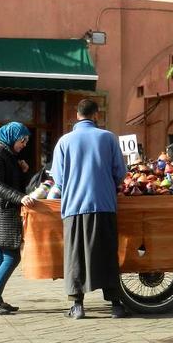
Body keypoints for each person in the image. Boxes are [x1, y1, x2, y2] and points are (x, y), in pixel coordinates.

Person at [51, 99, 128, 319]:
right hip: (104, 205)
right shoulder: (109, 138)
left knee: (75, 256)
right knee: (106, 255)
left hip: (74, 207)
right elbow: (120, 173)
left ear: (77, 116)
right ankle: (115, 305)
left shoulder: (64, 142)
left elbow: (58, 178)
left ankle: (77, 306)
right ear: (96, 115)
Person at [0, 122, 35, 314]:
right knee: (12, 257)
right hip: (0, 215)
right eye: (22, 140)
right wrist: (21, 198)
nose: (24, 144)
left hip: (1, 213)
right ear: (12, 137)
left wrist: (22, 171)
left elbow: (10, 182)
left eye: (26, 140)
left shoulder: (8, 155)